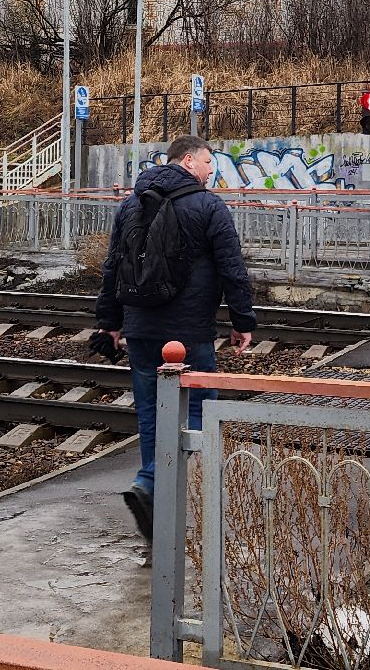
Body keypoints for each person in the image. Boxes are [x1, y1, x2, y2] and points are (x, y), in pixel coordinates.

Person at [95, 135, 254, 541]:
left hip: (141, 329)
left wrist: (109, 324)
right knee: (199, 411)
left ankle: (156, 499)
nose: (211, 170)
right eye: (207, 162)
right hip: (190, 332)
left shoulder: (132, 203)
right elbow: (231, 265)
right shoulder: (208, 205)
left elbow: (113, 267)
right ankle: (156, 486)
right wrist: (242, 320)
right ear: (188, 161)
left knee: (151, 413)